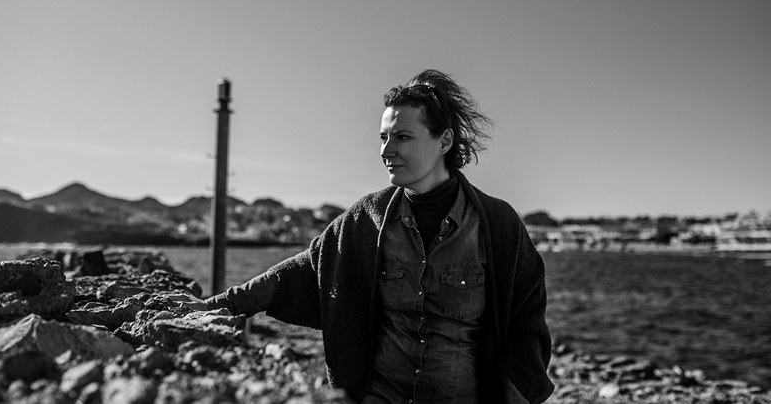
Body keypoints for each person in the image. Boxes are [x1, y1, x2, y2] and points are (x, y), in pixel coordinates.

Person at [180, 70, 553, 404]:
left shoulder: (497, 225)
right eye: (383, 137)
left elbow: (527, 323)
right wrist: (218, 306)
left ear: (444, 141)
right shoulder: (367, 218)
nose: (386, 151)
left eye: (402, 137)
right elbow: (301, 272)